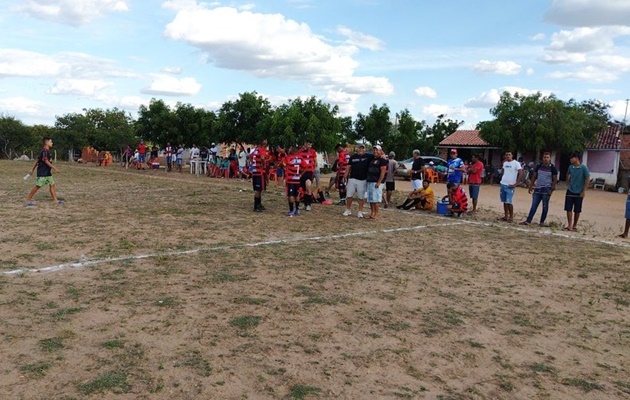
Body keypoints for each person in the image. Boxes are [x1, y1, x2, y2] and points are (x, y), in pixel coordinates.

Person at [519, 152, 558, 227]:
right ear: (542, 158)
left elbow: (555, 180)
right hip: (537, 189)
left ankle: (542, 222)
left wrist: (551, 190)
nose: (546, 159)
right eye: (544, 157)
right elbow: (534, 176)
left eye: (547, 157)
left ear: (550, 158)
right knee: (534, 205)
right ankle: (528, 220)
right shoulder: (539, 166)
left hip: (546, 189)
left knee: (545, 206)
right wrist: (531, 186)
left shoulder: (553, 168)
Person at [25, 137, 63, 206]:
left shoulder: (46, 151)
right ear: (46, 142)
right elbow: (45, 161)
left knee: (52, 184)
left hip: (48, 173)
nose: (52, 143)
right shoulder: (45, 151)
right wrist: (55, 168)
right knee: (38, 186)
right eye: (51, 142)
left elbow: (37, 160)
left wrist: (32, 169)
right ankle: (28, 199)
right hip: (43, 172)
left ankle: (55, 200)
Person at [343, 144, 371, 218]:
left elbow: (378, 155)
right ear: (357, 149)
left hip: (362, 179)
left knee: (361, 197)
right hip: (352, 178)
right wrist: (345, 176)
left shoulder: (368, 156)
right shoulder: (353, 157)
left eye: (362, 148)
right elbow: (348, 167)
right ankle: (348, 209)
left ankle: (360, 211)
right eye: (359, 148)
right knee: (349, 195)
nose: (361, 149)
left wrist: (383, 155)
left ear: (365, 149)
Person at [564, 152, 590, 231]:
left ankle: (575, 225)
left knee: (577, 209)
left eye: (572, 158)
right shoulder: (570, 167)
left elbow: (587, 179)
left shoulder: (584, 168)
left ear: (577, 158)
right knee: (568, 208)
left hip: (579, 191)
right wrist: (567, 183)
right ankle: (569, 225)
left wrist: (583, 191)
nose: (570, 160)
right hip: (570, 190)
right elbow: (567, 174)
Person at [498, 151, 522, 223]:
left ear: (512, 155)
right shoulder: (505, 163)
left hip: (510, 185)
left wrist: (516, 183)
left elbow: (521, 173)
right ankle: (506, 216)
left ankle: (511, 217)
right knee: (504, 201)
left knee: (509, 202)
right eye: (506, 155)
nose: (508, 156)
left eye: (509, 155)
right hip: (503, 184)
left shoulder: (516, 163)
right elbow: (503, 172)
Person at [366, 145, 388, 220]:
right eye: (374, 150)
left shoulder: (382, 160)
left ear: (380, 151)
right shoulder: (371, 159)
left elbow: (383, 172)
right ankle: (372, 212)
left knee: (375, 200)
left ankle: (376, 213)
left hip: (376, 181)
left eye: (377, 150)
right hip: (370, 180)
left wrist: (379, 182)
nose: (375, 151)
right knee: (371, 199)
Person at [283, 146, 306, 217]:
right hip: (297, 179)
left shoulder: (288, 158)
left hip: (290, 179)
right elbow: (306, 166)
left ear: (292, 150)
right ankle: (297, 210)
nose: (288, 150)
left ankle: (291, 210)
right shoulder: (300, 158)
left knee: (290, 195)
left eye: (289, 149)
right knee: (297, 194)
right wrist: (301, 174)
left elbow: (283, 165)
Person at [250, 139, 269, 212]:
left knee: (259, 189)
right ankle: (256, 206)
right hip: (259, 172)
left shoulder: (255, 150)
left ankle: (259, 204)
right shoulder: (262, 150)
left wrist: (253, 164)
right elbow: (262, 158)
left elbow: (251, 157)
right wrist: (262, 164)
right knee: (258, 189)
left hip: (255, 172)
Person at [297, 140, 317, 211]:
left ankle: (309, 204)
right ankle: (305, 204)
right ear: (305, 144)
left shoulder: (313, 152)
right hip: (302, 172)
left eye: (310, 145)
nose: (309, 146)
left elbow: (315, 162)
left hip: (309, 172)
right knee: (304, 189)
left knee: (308, 186)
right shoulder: (300, 151)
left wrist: (313, 170)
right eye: (308, 144)